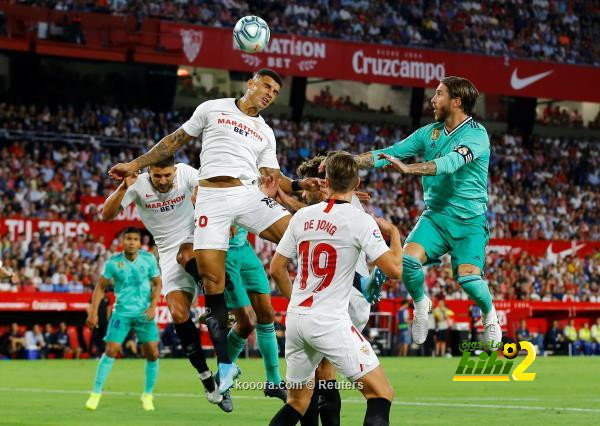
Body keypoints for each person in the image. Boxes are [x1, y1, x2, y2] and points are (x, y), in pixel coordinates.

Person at [108, 68, 321, 393]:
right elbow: (173, 142)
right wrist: (135, 165)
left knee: (299, 231)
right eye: (266, 86)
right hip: (211, 199)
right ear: (250, 83)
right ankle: (224, 366)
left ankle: (318, 307)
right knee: (212, 282)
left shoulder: (265, 131)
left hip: (246, 194)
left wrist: (298, 184)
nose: (269, 94)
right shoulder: (212, 108)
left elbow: (274, 176)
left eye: (275, 92)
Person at [353, 76, 501, 347]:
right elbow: (391, 153)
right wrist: (348, 161)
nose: (433, 100)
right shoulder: (429, 133)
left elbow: (450, 163)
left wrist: (410, 168)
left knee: (468, 279)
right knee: (407, 261)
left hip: (469, 221)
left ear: (457, 101)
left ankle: (490, 315)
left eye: (439, 94)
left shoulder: (477, 134)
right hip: (435, 215)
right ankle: (421, 304)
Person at [268, 152, 403, 426]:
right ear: (357, 184)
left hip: (296, 318)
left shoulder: (302, 216)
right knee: (381, 393)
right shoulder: (359, 220)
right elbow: (395, 271)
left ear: (325, 181)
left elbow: (276, 268)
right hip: (329, 320)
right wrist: (395, 234)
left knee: (297, 402)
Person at [102, 156, 226, 409]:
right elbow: (106, 215)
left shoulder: (185, 172)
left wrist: (203, 197)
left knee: (187, 254)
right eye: (157, 176)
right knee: (178, 313)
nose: (163, 181)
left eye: (167, 175)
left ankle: (215, 297)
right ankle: (206, 378)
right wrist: (124, 187)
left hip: (195, 236)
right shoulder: (137, 184)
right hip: (166, 251)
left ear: (174, 171)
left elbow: (211, 186)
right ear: (149, 172)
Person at [85, 227, 162, 411]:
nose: (132, 242)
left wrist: (153, 307)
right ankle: (95, 394)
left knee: (152, 353)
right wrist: (93, 312)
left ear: (139, 242)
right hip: (121, 313)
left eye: (135, 239)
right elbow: (100, 287)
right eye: (128, 238)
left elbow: (158, 283)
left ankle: (147, 394)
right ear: (123, 241)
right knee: (111, 350)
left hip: (144, 313)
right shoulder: (113, 263)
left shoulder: (148, 259)